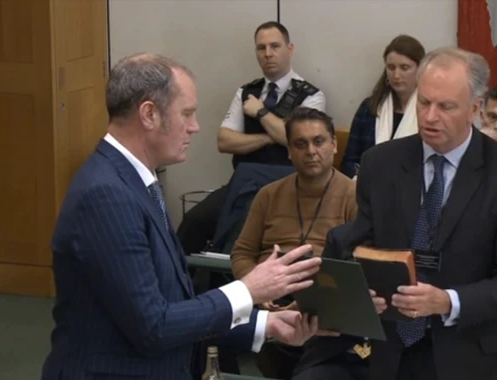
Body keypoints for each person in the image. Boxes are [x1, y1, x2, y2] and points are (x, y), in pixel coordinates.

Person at [41, 53, 333, 380]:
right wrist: (249, 290)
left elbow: (175, 309)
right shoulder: (106, 196)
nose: (195, 127)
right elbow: (154, 328)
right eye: (187, 113)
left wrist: (265, 324)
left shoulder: (133, 183)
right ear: (149, 114)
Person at [349, 47, 497, 379]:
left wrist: (447, 301)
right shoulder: (380, 164)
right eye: (423, 102)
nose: (429, 116)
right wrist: (362, 290)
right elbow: (358, 245)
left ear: (475, 109)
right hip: (394, 352)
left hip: (475, 355)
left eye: (445, 106)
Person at [176, 20, 326, 257]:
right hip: (241, 184)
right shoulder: (246, 92)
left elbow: (296, 140)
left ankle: (226, 282)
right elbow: (224, 141)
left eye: (275, 46)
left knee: (239, 228)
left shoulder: (312, 95)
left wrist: (260, 112)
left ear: (290, 49)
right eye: (261, 48)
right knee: (194, 221)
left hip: (287, 185)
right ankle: (182, 285)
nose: (268, 54)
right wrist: (271, 136)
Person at [231, 107, 358, 379]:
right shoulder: (268, 195)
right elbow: (242, 253)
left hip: (323, 306)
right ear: (289, 150)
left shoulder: (353, 195)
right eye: (300, 144)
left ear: (334, 145)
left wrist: (304, 303)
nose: (311, 151)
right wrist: (257, 289)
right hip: (267, 301)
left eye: (319, 141)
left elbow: (357, 270)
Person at [340, 35, 425, 179]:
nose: (396, 75)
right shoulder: (369, 108)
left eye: (405, 68)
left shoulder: (429, 111)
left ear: (420, 69)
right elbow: (349, 161)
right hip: (367, 189)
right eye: (391, 67)